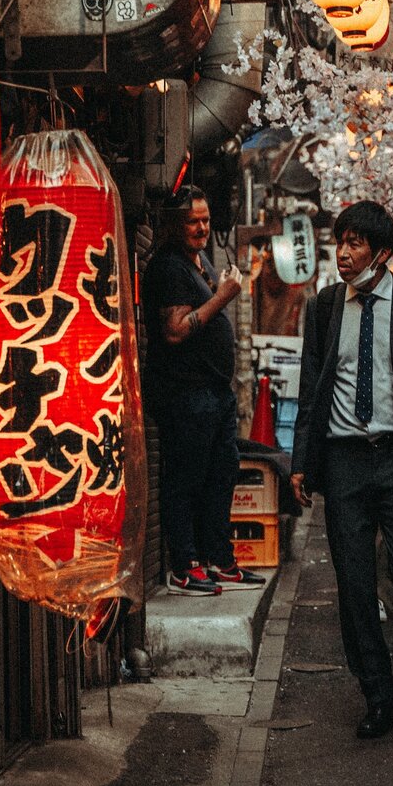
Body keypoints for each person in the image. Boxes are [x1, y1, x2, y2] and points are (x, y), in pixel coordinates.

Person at [291, 201, 393, 738]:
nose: (342, 253)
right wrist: (301, 461)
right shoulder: (324, 307)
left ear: (382, 252)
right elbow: (312, 387)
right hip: (343, 461)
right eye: (339, 241)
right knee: (355, 584)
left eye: (356, 243)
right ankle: (377, 693)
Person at [143, 186, 265, 595]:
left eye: (206, 220)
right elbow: (175, 330)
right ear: (176, 223)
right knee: (186, 479)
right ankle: (185, 565)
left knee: (220, 476)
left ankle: (219, 559)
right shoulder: (169, 266)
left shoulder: (200, 262)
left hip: (215, 393)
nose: (202, 228)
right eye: (193, 221)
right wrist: (225, 296)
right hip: (186, 392)